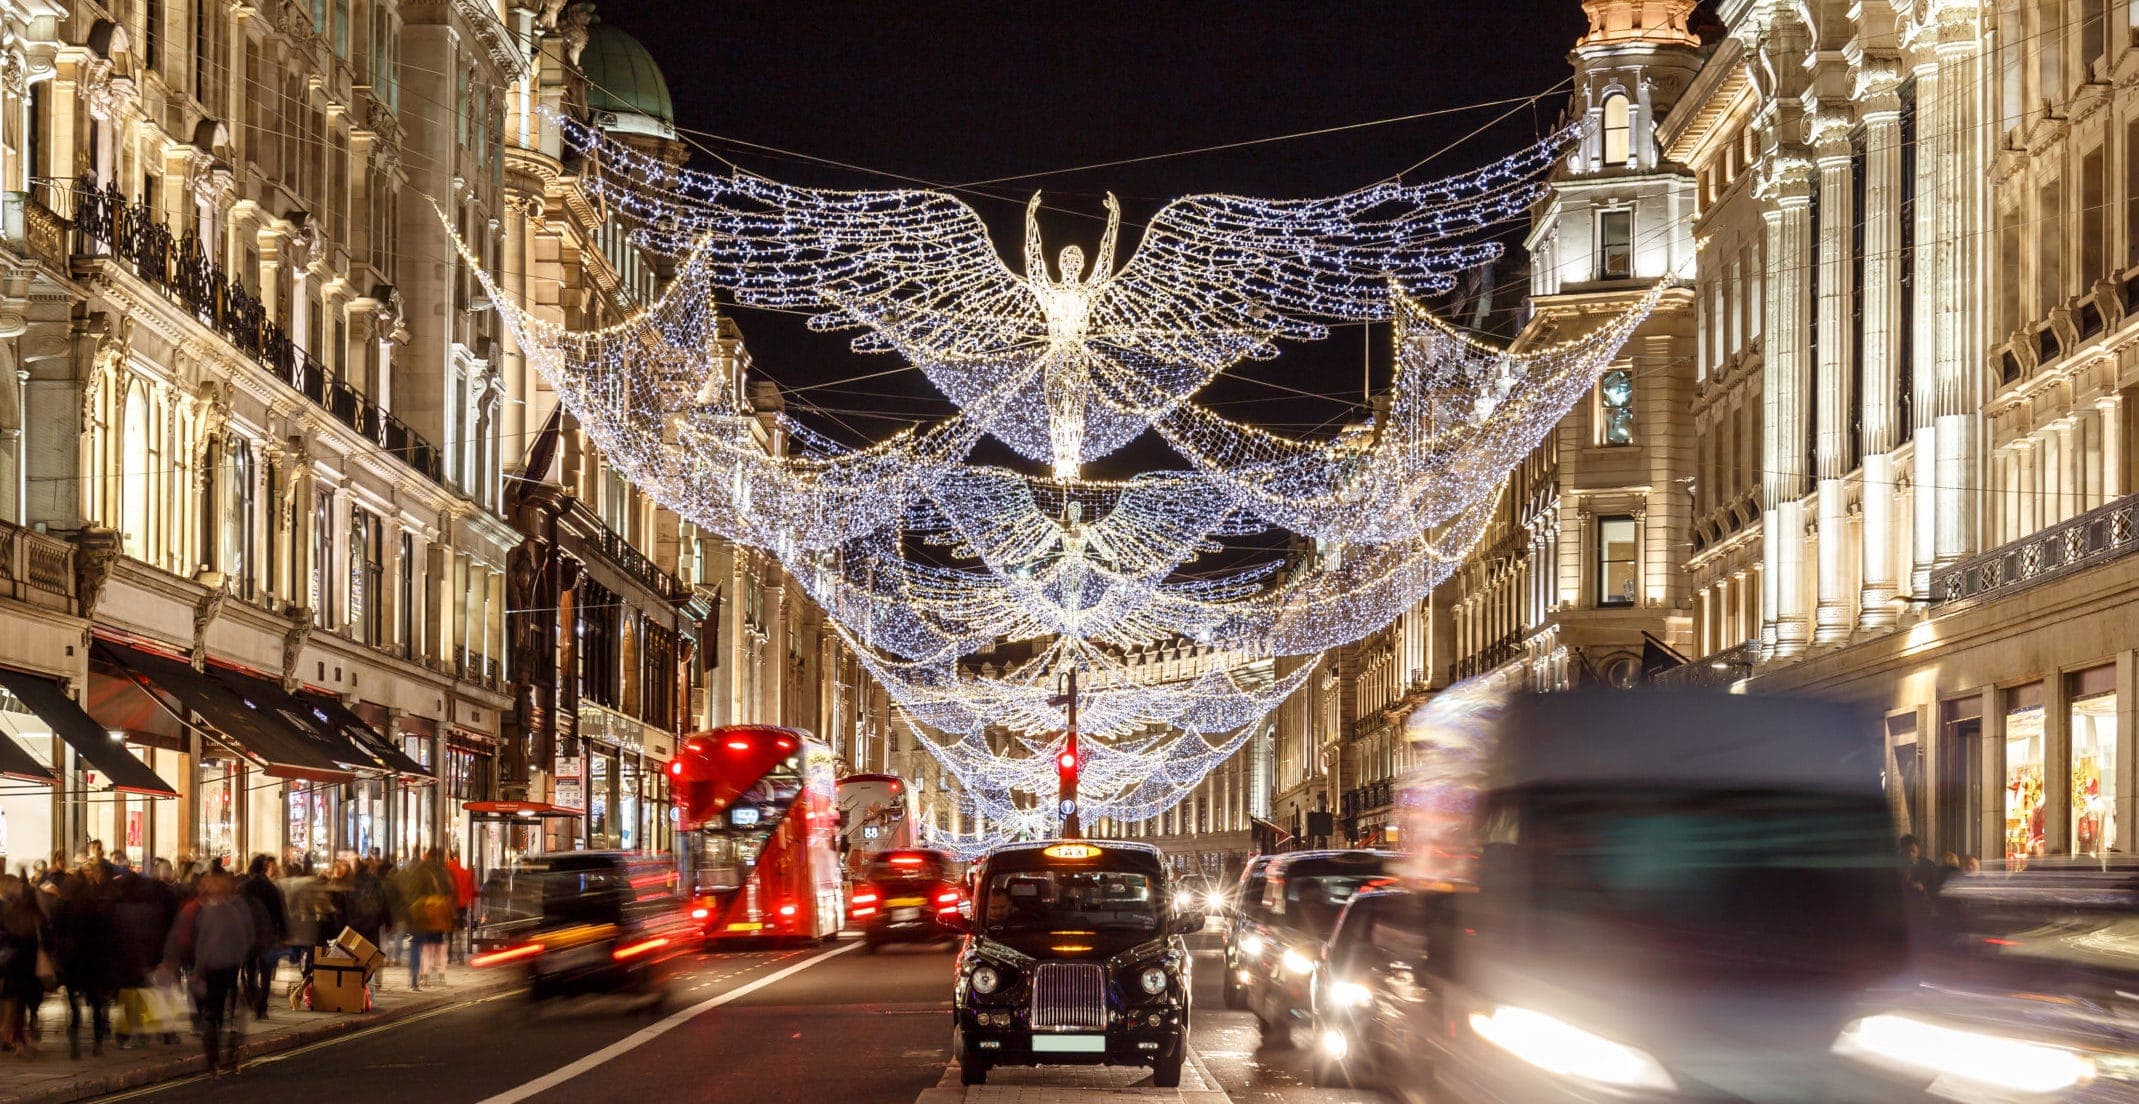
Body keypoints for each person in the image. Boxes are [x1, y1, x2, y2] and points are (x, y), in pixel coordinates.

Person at [166, 871, 254, 1076]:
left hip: (212, 969)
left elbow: (204, 945)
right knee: (230, 1014)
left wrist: (197, 969)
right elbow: (246, 939)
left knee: (212, 1015)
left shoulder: (208, 913)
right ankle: (232, 1058)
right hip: (231, 968)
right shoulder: (236, 910)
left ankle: (213, 1063)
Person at [50, 858, 119, 1058]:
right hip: (92, 958)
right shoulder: (93, 905)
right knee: (96, 1003)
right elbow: (104, 933)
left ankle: (74, 1044)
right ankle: (97, 1043)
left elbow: (54, 932)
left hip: (71, 959)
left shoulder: (61, 907)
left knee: (73, 1002)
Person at [0, 873, 49, 1057]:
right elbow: (48, 941)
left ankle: (15, 1038)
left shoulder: (11, 914)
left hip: (13, 966)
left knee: (15, 1006)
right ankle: (17, 1038)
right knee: (23, 1007)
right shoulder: (37, 917)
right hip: (31, 968)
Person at [393, 849, 455, 990]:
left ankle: (417, 978)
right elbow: (447, 891)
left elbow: (404, 892)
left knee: (419, 946)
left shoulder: (414, 873)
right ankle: (436, 975)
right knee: (435, 945)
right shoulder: (438, 872)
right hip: (430, 914)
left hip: (415, 914)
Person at [238, 856, 287, 1021]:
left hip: (248, 935)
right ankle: (262, 1007)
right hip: (268, 935)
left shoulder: (244, 887)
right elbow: (280, 912)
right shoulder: (271, 887)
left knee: (251, 970)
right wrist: (283, 934)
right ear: (264, 868)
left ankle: (253, 999)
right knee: (266, 972)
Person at [446, 851, 476, 964]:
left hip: (450, 905)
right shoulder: (464, 872)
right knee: (459, 931)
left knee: (449, 933)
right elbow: (469, 891)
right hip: (462, 906)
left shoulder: (447, 871)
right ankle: (460, 956)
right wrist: (468, 902)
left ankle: (449, 955)